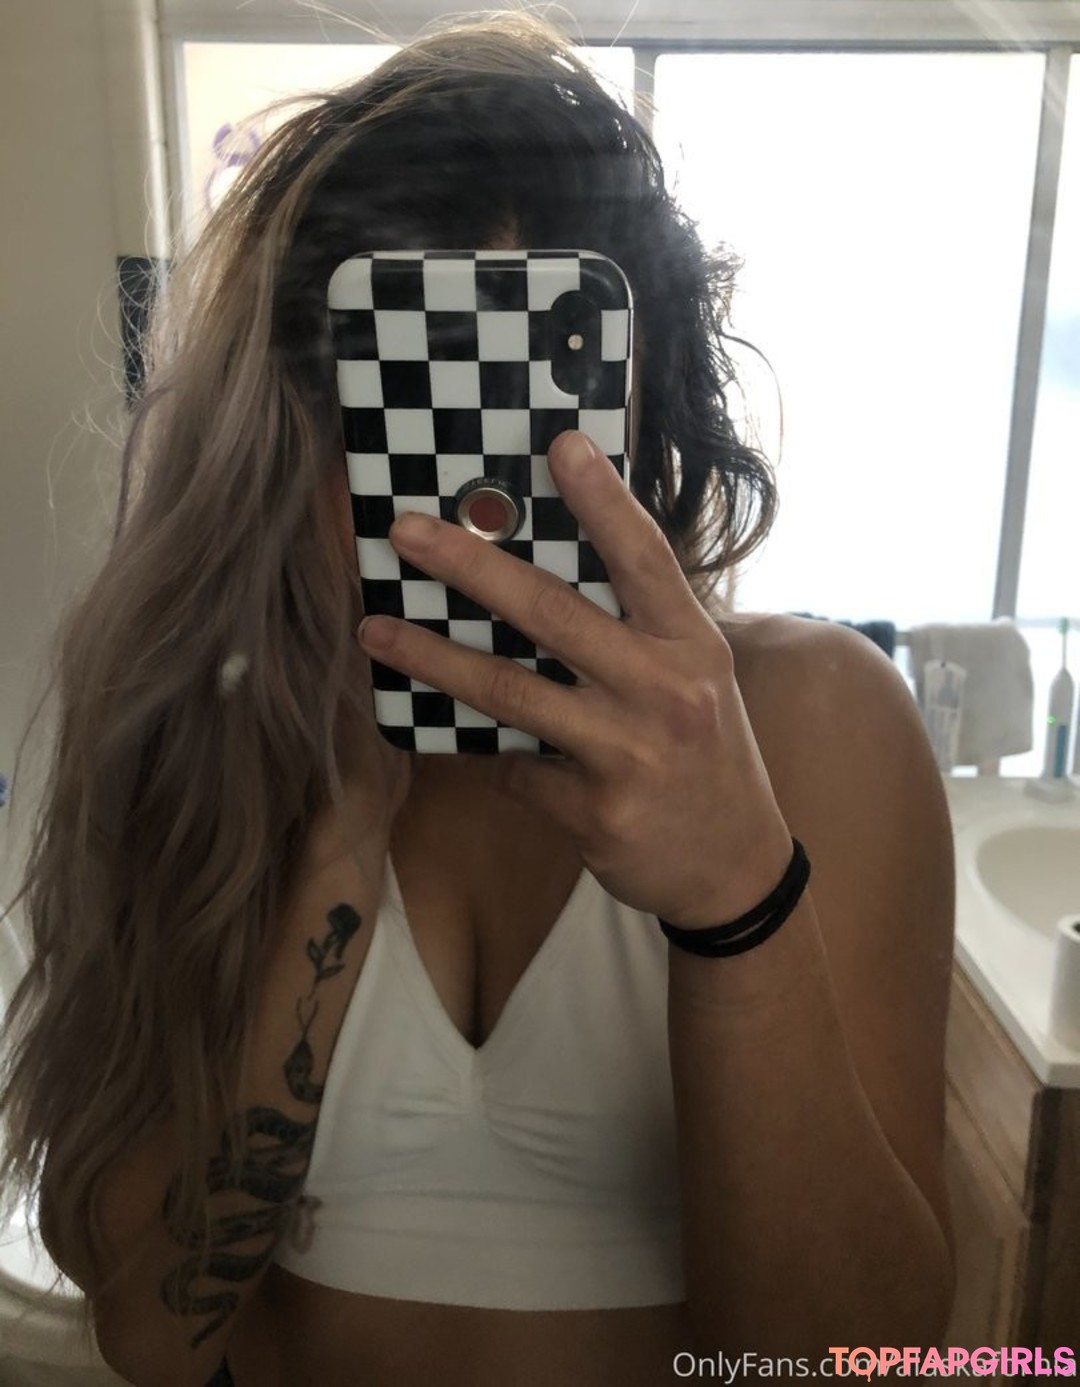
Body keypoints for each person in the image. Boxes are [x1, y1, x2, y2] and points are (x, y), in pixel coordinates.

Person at [0, 11, 956, 1386]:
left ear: (645, 412)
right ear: (292, 421)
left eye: (535, 400)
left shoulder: (810, 721)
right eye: (402, 398)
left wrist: (736, 895)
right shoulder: (203, 725)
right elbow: (153, 1335)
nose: (477, 497)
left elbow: (854, 1362)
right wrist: (335, 837)